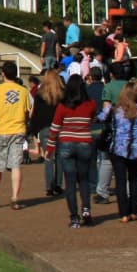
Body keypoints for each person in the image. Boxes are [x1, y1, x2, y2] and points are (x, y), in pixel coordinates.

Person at [47, 74, 97, 229]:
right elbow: (92, 120)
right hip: (84, 143)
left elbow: (55, 128)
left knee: (69, 182)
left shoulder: (63, 106)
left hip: (66, 143)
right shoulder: (90, 104)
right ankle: (86, 209)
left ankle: (74, 218)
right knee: (83, 179)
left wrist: (49, 148)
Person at [0, 61, 31, 209]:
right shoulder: (23, 91)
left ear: (3, 73)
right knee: (16, 165)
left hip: (1, 130)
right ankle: (15, 197)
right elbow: (27, 111)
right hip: (18, 130)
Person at [100, 83, 137, 222]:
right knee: (134, 179)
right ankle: (134, 211)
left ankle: (123, 213)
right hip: (136, 147)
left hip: (118, 147)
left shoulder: (116, 109)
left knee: (120, 181)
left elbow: (101, 117)